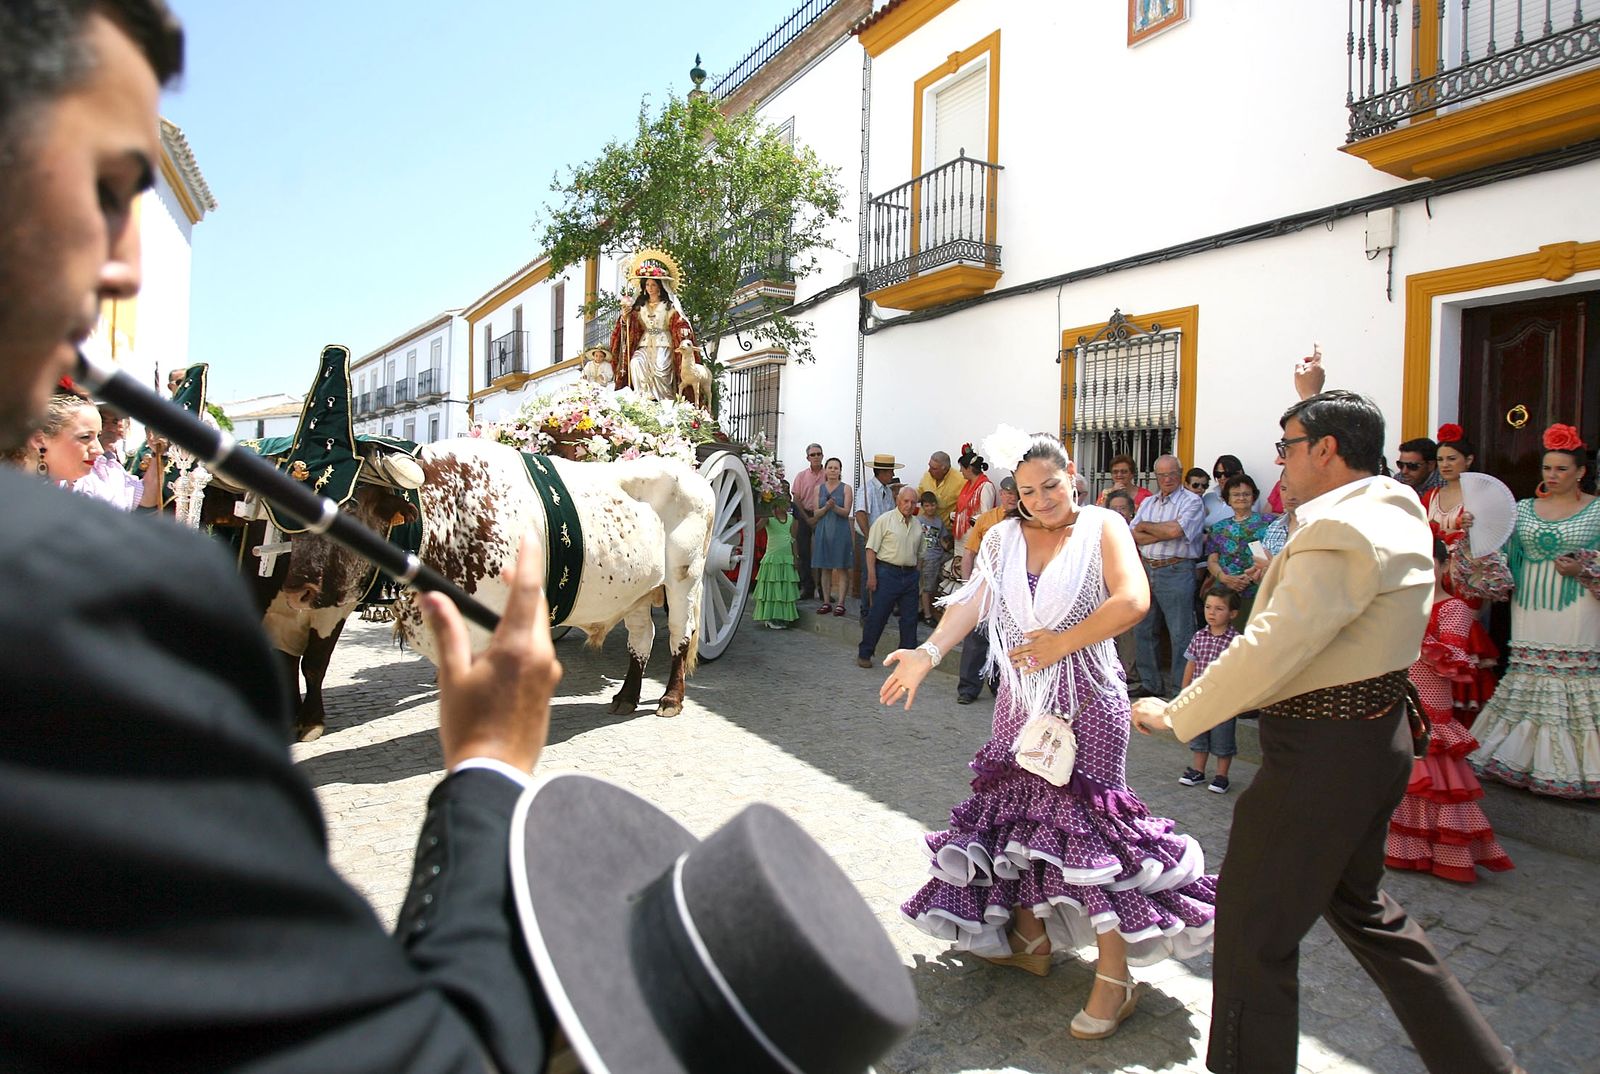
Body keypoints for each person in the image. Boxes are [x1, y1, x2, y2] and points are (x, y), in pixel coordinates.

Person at [0, 4, 560, 1067]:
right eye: (107, 191)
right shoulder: (107, 595)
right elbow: (422, 1055)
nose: (124, 265)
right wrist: (488, 770)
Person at [1132, 364, 1520, 1073]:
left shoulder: (1341, 528)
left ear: (1327, 450)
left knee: (1253, 931)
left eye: (1288, 447)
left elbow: (1273, 644)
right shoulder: (1392, 508)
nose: (1280, 462)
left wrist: (1178, 713)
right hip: (1370, 739)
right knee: (1364, 912)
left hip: (1321, 754)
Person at [883, 429, 1216, 1042]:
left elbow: (1133, 600)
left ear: (1074, 480)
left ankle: (1115, 977)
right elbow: (974, 602)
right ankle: (1032, 939)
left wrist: (1061, 643)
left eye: (1051, 486)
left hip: (1088, 699)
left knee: (1088, 832)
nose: (1041, 500)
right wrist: (927, 654)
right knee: (1022, 822)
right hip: (1021, 703)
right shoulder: (1003, 537)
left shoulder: (1103, 527)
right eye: (1028, 491)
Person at [1461, 423, 1600, 798]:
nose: (1552, 475)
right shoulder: (1522, 510)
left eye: (1561, 469)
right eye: (1547, 468)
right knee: (1528, 672)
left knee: (1573, 675)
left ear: (1581, 472)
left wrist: (1585, 568)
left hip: (1580, 604)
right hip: (1529, 604)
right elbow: (1496, 558)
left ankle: (1576, 768)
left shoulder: (1597, 510)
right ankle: (1520, 760)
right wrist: (1474, 532)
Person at [1385, 540, 1514, 882]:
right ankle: (1407, 850)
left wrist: (1418, 638)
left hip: (1431, 703)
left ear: (1444, 566)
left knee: (1434, 778)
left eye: (1428, 562)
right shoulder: (1400, 604)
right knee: (1405, 776)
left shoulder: (1454, 608)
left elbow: (1456, 660)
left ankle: (1446, 853)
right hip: (1398, 696)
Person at [1131, 454, 1205, 697]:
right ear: (1156, 477)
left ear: (1180, 474)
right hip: (1146, 569)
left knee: (1180, 633)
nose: (1167, 479)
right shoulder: (1148, 502)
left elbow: (1176, 531)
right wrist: (1161, 531)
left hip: (1176, 570)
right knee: (1143, 629)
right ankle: (1150, 683)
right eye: (1162, 475)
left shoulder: (1192, 501)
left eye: (1172, 473)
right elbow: (1133, 534)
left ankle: (1179, 690)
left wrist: (1147, 527)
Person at [28, 390, 161, 510]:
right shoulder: (22, 494)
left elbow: (145, 497)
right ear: (40, 440)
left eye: (115, 421)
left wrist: (158, 452)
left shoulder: (108, 470)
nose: (98, 450)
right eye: (85, 437)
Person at [956, 475, 1018, 704]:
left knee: (1003, 640)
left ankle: (998, 685)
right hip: (985, 586)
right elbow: (969, 553)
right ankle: (968, 688)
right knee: (976, 639)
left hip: (1011, 590)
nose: (1011, 497)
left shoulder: (1025, 521)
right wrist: (967, 586)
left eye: (1015, 494)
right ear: (1001, 494)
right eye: (1007, 493)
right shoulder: (986, 519)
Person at [607, 251, 699, 402]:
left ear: (660, 287)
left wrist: (683, 328)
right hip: (644, 343)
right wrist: (624, 317)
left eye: (653, 285)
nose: (650, 288)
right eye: (647, 284)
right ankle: (642, 397)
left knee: (661, 369)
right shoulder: (640, 306)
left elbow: (679, 321)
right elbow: (629, 326)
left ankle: (663, 400)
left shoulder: (668, 306)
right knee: (635, 362)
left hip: (663, 343)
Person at [1177, 587, 1242, 794]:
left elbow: (1240, 671)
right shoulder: (1199, 636)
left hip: (1223, 701)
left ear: (1233, 613)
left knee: (1223, 738)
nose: (1212, 613)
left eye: (1219, 609)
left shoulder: (1237, 641)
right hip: (1199, 698)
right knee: (1199, 736)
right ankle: (1198, 770)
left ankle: (1222, 776)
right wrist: (1184, 690)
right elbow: (1191, 664)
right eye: (1208, 607)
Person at [858, 484, 922, 667]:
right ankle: (865, 653)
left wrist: (918, 577)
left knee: (909, 619)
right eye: (906, 501)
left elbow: (920, 554)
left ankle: (906, 658)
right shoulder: (884, 520)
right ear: (898, 501)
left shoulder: (917, 525)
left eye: (913, 502)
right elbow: (871, 550)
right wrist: (872, 576)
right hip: (887, 573)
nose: (909, 505)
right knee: (878, 615)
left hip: (910, 575)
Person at [1204, 473, 1273, 624]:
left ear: (1253, 497)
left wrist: (1248, 579)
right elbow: (1212, 560)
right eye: (1235, 494)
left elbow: (1274, 555)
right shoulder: (1218, 528)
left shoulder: (1268, 523)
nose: (1241, 498)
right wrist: (1224, 578)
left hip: (1256, 590)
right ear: (1227, 499)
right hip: (1223, 592)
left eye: (1246, 494)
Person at [854, 452, 900, 618]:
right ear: (881, 472)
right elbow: (860, 514)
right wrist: (869, 536)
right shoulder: (867, 489)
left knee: (882, 573)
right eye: (890, 471)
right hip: (868, 537)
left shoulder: (887, 491)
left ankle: (879, 609)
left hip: (883, 539)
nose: (892, 474)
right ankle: (866, 611)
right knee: (869, 573)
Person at [810, 455, 853, 615]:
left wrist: (834, 507)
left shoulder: (846, 488)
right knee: (825, 568)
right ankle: (826, 602)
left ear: (840, 471)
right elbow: (816, 513)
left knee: (842, 568)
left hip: (841, 531)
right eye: (830, 467)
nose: (833, 470)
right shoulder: (818, 489)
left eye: (836, 468)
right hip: (823, 531)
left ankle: (841, 603)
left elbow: (846, 512)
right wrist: (827, 507)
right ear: (825, 470)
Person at [753, 495, 800, 629]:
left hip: (786, 558)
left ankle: (782, 617)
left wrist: (795, 557)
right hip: (773, 558)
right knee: (773, 588)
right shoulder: (769, 518)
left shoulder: (791, 519)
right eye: (784, 503)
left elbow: (793, 539)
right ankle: (770, 617)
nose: (787, 505)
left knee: (784, 588)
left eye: (788, 502)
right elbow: (756, 529)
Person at [791, 442, 825, 600]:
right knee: (804, 552)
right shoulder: (801, 476)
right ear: (808, 458)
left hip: (823, 516)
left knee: (823, 553)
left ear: (822, 456)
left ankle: (823, 589)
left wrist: (817, 517)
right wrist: (807, 518)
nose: (816, 457)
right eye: (813, 455)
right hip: (804, 516)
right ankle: (807, 588)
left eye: (818, 454)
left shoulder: (828, 474)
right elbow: (796, 498)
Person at [916, 490, 950, 624]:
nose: (930, 508)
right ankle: (927, 615)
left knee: (936, 585)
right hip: (926, 557)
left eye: (933, 505)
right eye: (927, 506)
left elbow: (942, 539)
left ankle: (930, 611)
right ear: (922, 507)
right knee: (927, 587)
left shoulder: (938, 521)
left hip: (938, 556)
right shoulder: (918, 521)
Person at [951, 443, 995, 542]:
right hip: (961, 536)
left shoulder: (985, 486)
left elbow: (986, 515)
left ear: (969, 469)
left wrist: (967, 519)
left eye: (962, 467)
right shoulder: (967, 485)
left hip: (974, 537)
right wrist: (956, 516)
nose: (960, 470)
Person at [917, 449, 961, 526]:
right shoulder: (927, 475)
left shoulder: (960, 480)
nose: (929, 470)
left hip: (945, 529)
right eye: (929, 466)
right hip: (923, 526)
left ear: (944, 469)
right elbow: (919, 493)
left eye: (933, 468)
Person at [1201, 454, 1244, 527]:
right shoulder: (1208, 498)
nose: (1222, 478)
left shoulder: (1247, 499)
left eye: (1227, 474)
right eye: (1218, 474)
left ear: (1239, 473)